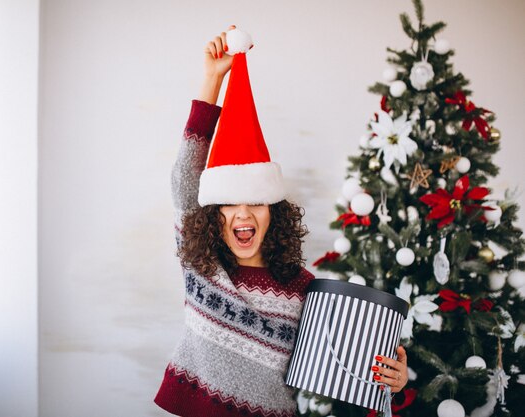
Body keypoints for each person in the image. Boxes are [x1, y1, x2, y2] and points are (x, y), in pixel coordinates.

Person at [154, 26, 409, 417]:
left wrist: (394, 378)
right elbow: (186, 180)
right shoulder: (201, 265)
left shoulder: (304, 288)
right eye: (228, 203)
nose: (243, 213)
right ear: (212, 214)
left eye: (256, 201)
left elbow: (349, 373)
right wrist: (212, 79)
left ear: (274, 212)